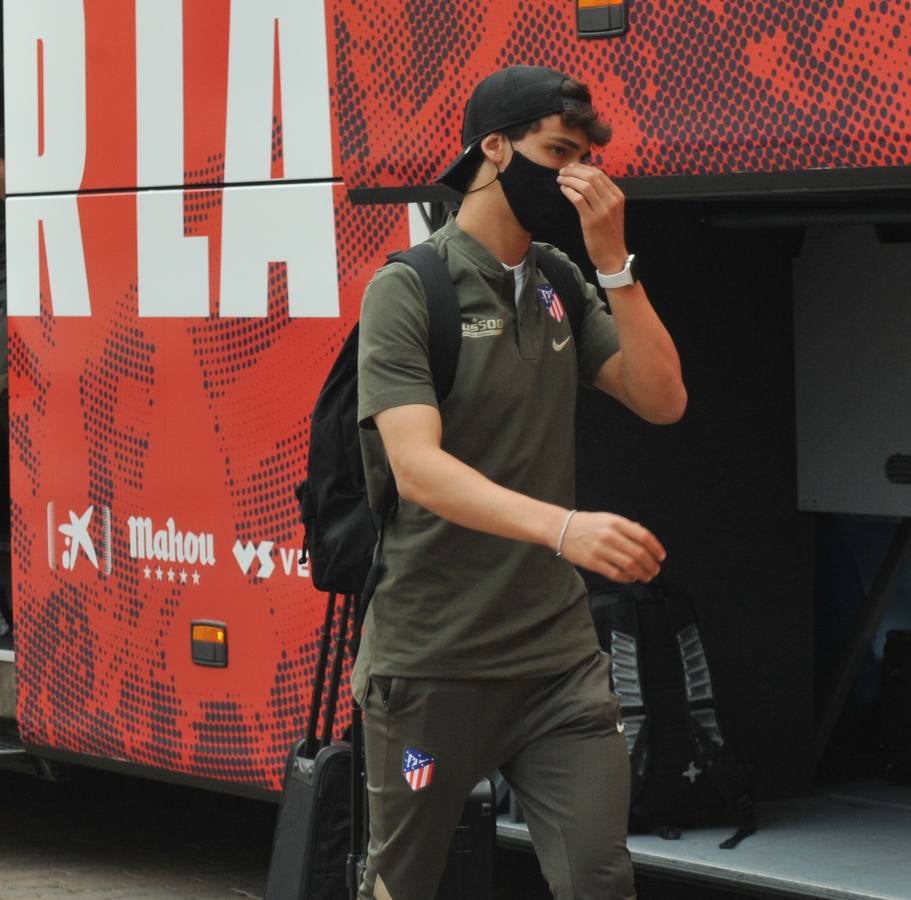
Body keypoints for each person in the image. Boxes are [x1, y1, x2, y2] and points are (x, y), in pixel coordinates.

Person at [353, 65, 687, 900]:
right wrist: (563, 529)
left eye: (588, 160)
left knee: (598, 879)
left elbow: (662, 400)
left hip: (556, 665)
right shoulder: (408, 288)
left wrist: (613, 263)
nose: (581, 178)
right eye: (558, 153)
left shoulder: (560, 282)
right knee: (404, 881)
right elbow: (416, 467)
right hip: (433, 662)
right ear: (492, 148)